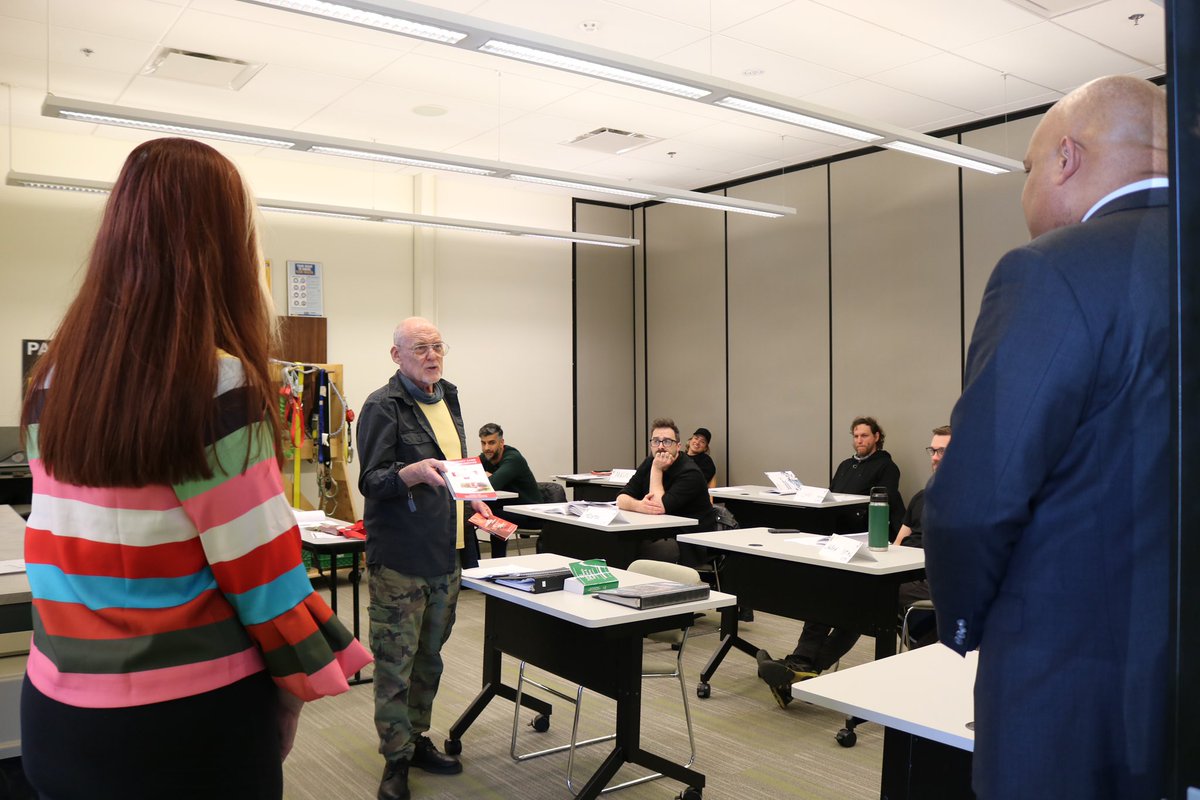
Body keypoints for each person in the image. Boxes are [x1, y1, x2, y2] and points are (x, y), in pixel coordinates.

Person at [17, 138, 372, 800]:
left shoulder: (53, 378)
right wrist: (295, 690)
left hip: (55, 711)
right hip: (183, 723)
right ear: (222, 247)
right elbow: (263, 578)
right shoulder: (220, 385)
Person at [924, 76, 1169, 800]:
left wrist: (962, 621)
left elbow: (975, 498)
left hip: (1068, 679)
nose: (1026, 192)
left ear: (1066, 157)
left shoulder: (1053, 271)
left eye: (1025, 171)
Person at [357, 317, 493, 800]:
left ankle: (415, 739)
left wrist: (473, 494)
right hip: (400, 558)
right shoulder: (381, 405)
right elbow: (371, 481)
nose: (432, 355)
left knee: (429, 659)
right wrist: (407, 473)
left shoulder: (448, 396)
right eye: (420, 348)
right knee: (395, 663)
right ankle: (394, 761)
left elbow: (452, 467)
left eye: (438, 346)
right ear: (397, 356)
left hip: (446, 552)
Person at [756, 416, 904, 707]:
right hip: (840, 540)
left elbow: (879, 502)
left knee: (852, 610)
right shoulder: (845, 466)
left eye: (864, 435)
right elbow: (834, 497)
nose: (859, 440)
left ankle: (803, 666)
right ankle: (801, 666)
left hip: (868, 542)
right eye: (855, 436)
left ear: (877, 437)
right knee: (826, 599)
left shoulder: (887, 466)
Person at [616, 417, 717, 564]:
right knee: (616, 540)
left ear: (678, 446)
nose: (661, 446)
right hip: (659, 532)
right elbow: (621, 498)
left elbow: (657, 508)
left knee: (638, 549)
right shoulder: (649, 462)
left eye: (667, 441)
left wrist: (657, 469)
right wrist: (639, 506)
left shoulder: (690, 473)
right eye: (656, 441)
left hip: (687, 541)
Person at [890, 425, 951, 648]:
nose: (935, 458)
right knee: (849, 585)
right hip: (906, 571)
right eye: (933, 451)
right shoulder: (921, 497)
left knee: (880, 592)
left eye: (942, 451)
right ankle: (804, 661)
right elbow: (898, 543)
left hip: (938, 577)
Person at [476, 422, 540, 558]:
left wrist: (488, 477)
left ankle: (497, 561)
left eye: (492, 443)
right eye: (483, 443)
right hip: (508, 508)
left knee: (494, 516)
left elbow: (491, 485)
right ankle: (474, 560)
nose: (487, 448)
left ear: (501, 443)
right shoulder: (485, 457)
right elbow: (466, 475)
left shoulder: (513, 458)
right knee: (470, 513)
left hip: (530, 513)